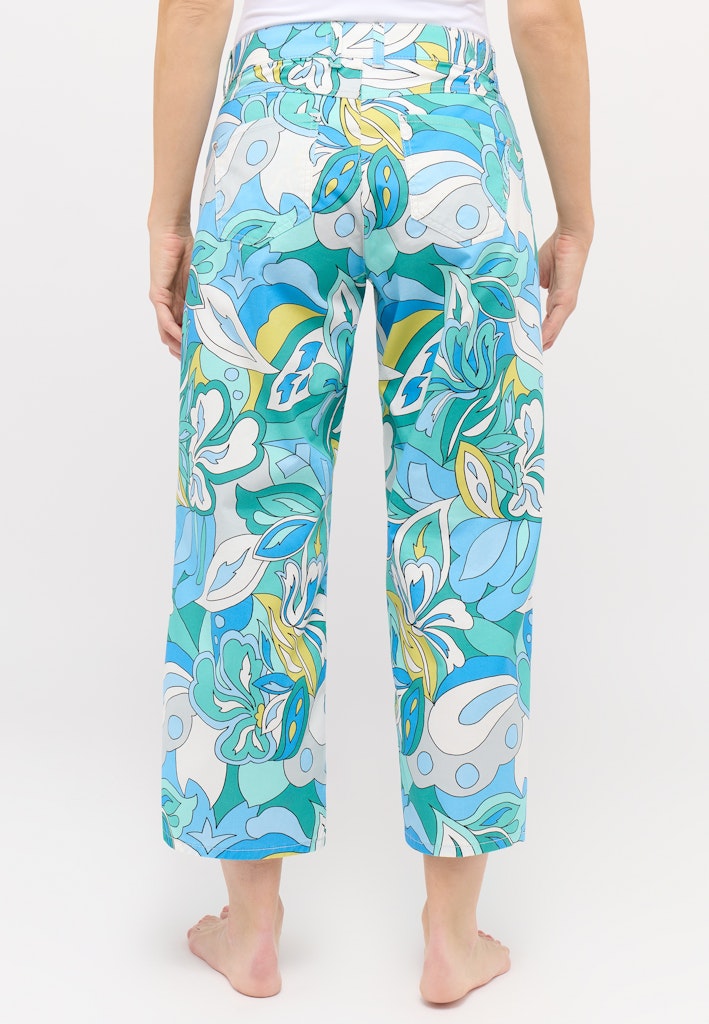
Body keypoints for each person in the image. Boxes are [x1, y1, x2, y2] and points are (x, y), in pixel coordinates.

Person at [148, 0, 593, 1004]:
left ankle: (251, 926)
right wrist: (576, 215)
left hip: (276, 139)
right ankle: (453, 934)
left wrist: (167, 215)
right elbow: (543, 16)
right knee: (469, 514)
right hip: (452, 140)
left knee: (247, 519)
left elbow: (194, 8)